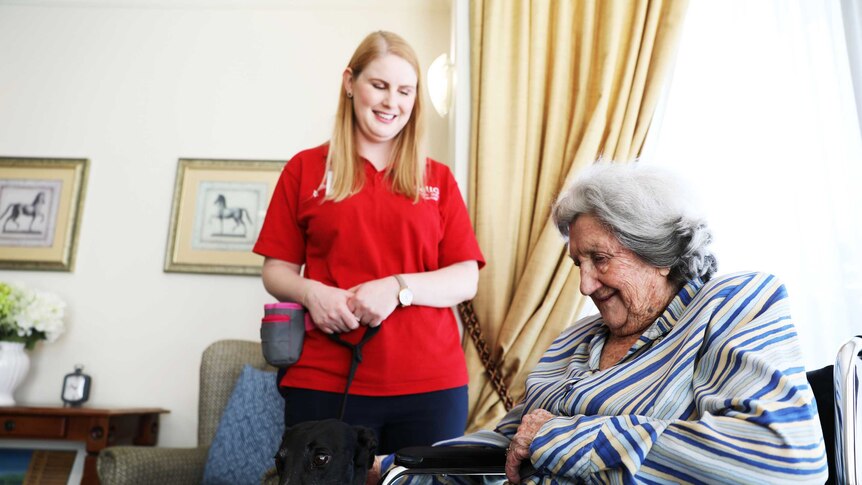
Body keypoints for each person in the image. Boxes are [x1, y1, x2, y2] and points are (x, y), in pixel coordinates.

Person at [375, 161, 827, 484]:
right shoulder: (575, 341)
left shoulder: (733, 304)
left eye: (600, 259)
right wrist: (402, 466)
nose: (585, 286)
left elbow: (784, 460)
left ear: (659, 254)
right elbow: (506, 442)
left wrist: (563, 436)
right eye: (577, 263)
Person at [254, 30, 484, 454]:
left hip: (430, 385)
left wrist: (398, 288)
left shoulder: (437, 179)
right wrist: (313, 293)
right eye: (378, 85)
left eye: (404, 90)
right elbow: (276, 269)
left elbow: (466, 278)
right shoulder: (304, 169)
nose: (390, 102)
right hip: (323, 378)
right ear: (349, 83)